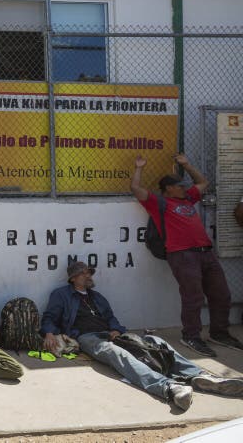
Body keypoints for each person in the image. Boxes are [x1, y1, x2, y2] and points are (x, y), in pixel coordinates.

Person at [41, 261, 243, 411]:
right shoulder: (61, 295)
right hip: (87, 337)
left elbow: (111, 318)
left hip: (110, 333)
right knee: (116, 354)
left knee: (155, 342)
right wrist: (49, 333)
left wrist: (117, 330)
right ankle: (169, 388)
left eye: (89, 272)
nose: (89, 275)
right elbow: (50, 316)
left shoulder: (98, 297)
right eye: (84, 273)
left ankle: (198, 375)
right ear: (73, 278)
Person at [131, 154, 243, 357]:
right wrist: (139, 168)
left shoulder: (189, 198)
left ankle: (219, 333)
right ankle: (191, 335)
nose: (184, 188)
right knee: (193, 297)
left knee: (221, 294)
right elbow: (136, 190)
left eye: (184, 186)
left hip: (206, 252)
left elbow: (203, 182)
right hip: (182, 255)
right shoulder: (159, 203)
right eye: (179, 186)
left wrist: (186, 165)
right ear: (168, 189)